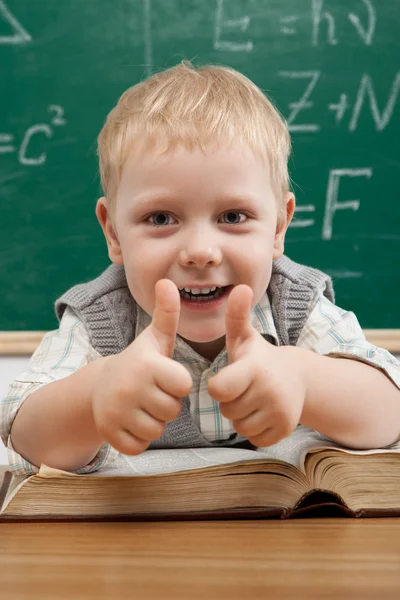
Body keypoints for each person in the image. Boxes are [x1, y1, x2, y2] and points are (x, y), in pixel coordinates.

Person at [2, 61, 400, 477]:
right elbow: (24, 435)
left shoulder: (295, 305)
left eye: (232, 216)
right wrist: (92, 398)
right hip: (136, 540)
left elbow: (390, 412)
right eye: (160, 219)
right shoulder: (102, 319)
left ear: (278, 226)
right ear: (114, 233)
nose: (200, 252)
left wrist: (304, 379)